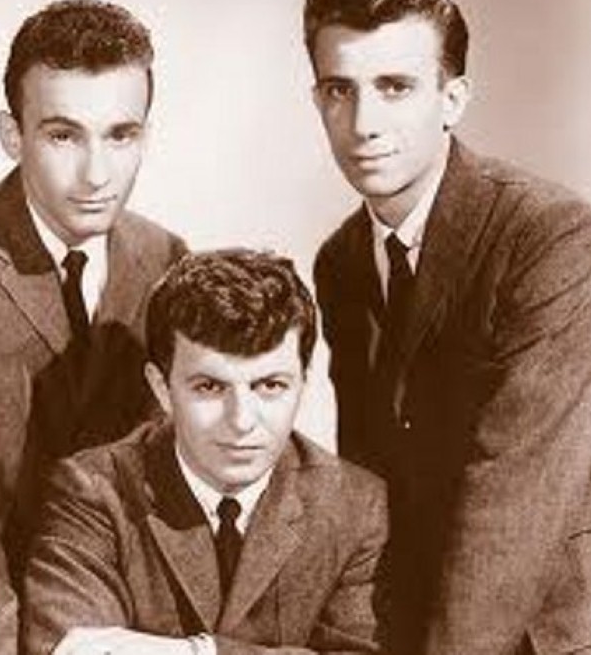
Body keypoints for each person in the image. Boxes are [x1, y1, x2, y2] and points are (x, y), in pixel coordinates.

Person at [304, 0, 591, 655]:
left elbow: (515, 496)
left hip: (542, 634)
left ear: (452, 98)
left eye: (395, 87)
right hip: (412, 623)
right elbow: (368, 481)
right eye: (340, 90)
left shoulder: (548, 235)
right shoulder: (340, 261)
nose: (363, 124)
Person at [0, 0, 186, 655]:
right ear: (12, 133)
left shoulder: (166, 259)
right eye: (63, 135)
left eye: (120, 135)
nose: (96, 174)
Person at [22, 249, 389, 655]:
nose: (241, 421)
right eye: (210, 387)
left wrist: (195, 652)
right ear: (161, 388)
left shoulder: (356, 506)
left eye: (270, 386)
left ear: (302, 383)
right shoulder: (92, 490)